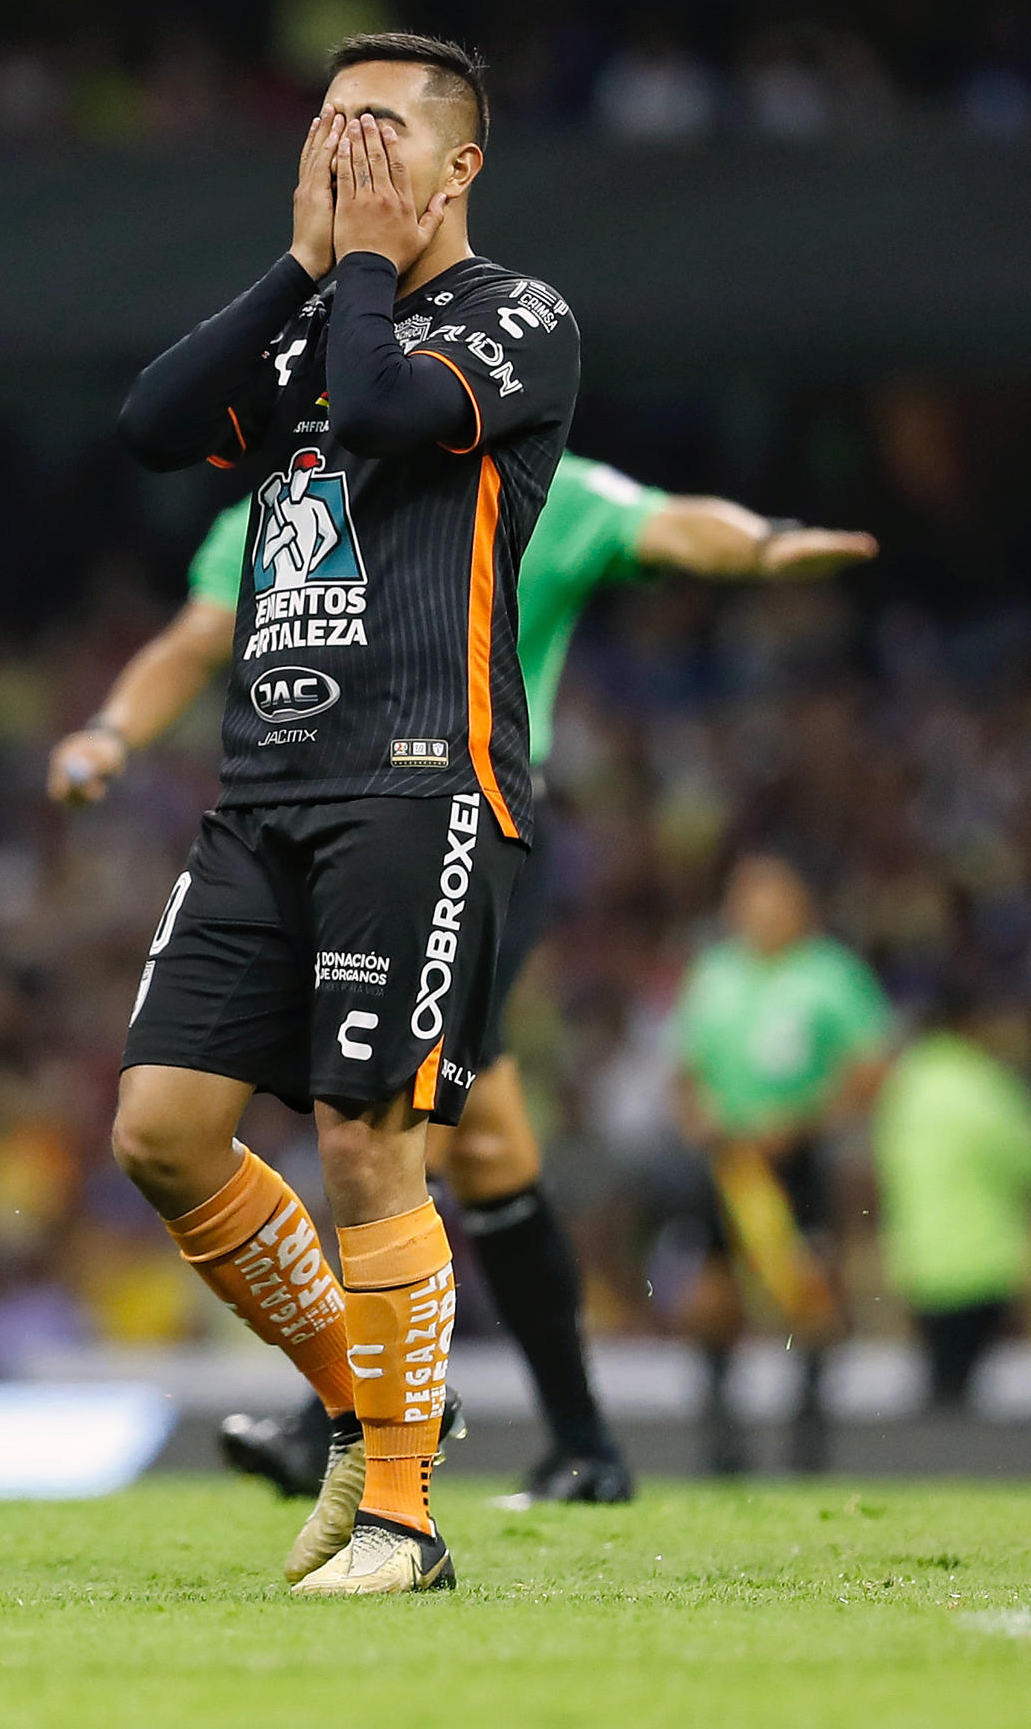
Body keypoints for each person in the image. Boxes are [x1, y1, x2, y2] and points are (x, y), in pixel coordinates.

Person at [53, 455, 877, 1502]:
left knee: (399, 1116)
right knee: (484, 1142)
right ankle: (582, 1447)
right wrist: (112, 730)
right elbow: (193, 639)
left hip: (476, 835)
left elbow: (669, 525)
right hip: (332, 836)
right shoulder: (285, 502)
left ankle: (339, 1423)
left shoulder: (535, 485)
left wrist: (761, 545)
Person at [104, 32, 580, 1596]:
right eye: (325, 128)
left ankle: (402, 1518)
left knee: (367, 1144)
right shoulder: (319, 312)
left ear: (459, 165)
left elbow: (378, 411)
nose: (342, 151)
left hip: (421, 780)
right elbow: (155, 424)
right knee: (162, 1133)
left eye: (376, 129)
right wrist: (306, 264)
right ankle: (364, 1407)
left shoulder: (518, 318)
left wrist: (359, 268)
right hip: (265, 788)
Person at [673, 853, 892, 1474]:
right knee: (709, 1292)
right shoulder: (714, 974)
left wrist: (801, 1122)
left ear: (801, 905)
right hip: (728, 1161)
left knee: (812, 1291)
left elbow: (871, 1068)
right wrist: (698, 1118)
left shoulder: (832, 975)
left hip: (800, 1158)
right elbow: (684, 1069)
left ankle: (808, 1430)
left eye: (772, 898)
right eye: (747, 899)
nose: (759, 912)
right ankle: (722, 1433)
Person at [874, 998, 1031, 1407]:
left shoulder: (903, 1088)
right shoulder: (985, 1086)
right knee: (963, 1383)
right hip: (980, 1259)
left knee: (941, 1373)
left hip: (918, 1258)